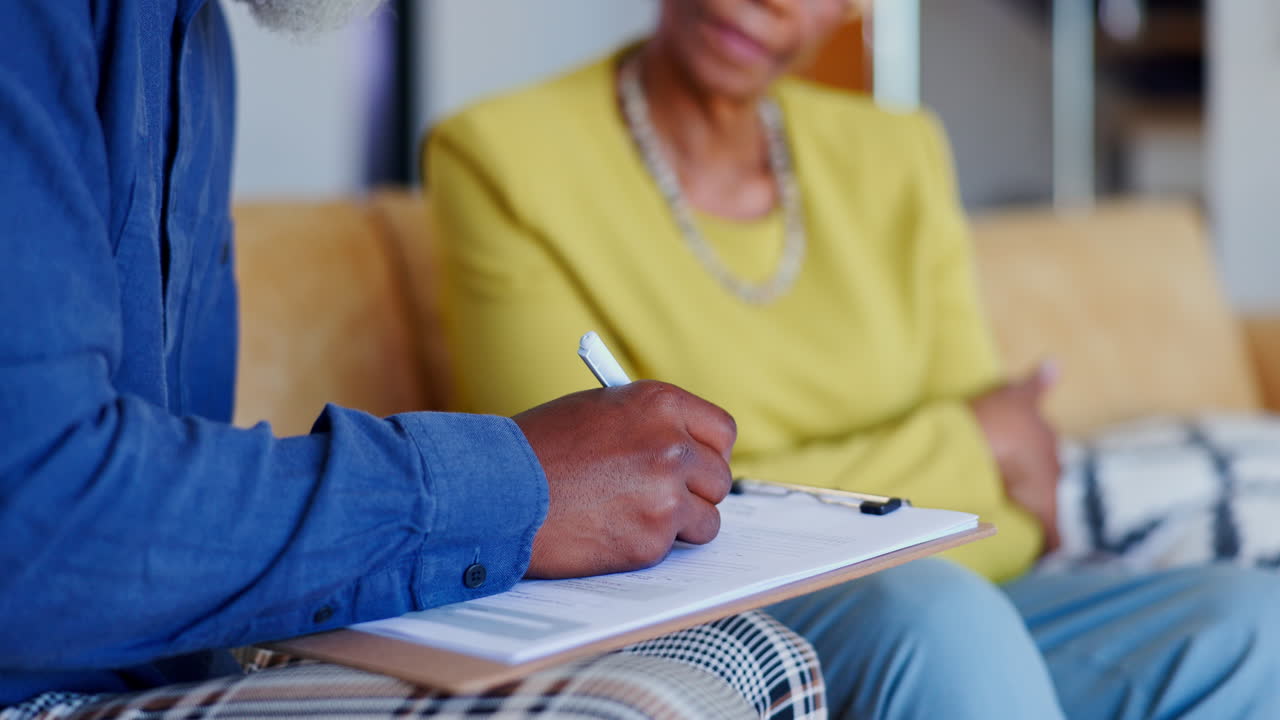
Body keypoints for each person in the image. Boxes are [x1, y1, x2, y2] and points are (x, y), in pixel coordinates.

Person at [426, 0, 1280, 717]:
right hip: (712, 615)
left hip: (956, 595)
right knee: (940, 616)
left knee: (1249, 621)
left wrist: (759, 477)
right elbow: (584, 503)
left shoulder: (896, 152)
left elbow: (1016, 513)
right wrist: (966, 446)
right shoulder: (503, 158)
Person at [0, 2, 825, 718]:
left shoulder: (199, 48)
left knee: (756, 656)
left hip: (144, 655)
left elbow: (165, 509)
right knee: (656, 708)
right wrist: (515, 486)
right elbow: (37, 512)